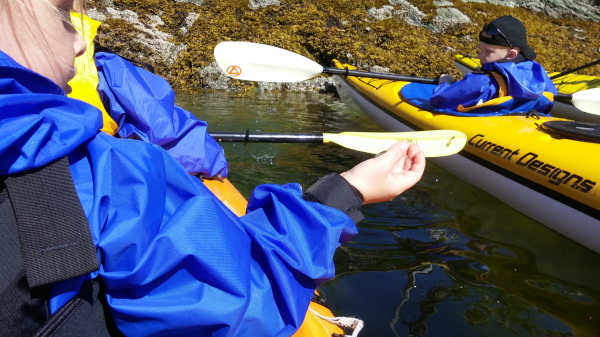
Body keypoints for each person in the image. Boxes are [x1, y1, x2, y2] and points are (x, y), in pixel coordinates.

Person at [0, 1, 425, 336]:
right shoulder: (106, 175)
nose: (78, 42)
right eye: (62, 16)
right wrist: (347, 191)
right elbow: (249, 306)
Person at [427, 15, 558, 115]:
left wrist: (444, 83)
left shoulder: (481, 81)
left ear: (511, 54)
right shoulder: (540, 75)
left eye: (488, 51)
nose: (480, 56)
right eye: (481, 49)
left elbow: (439, 101)